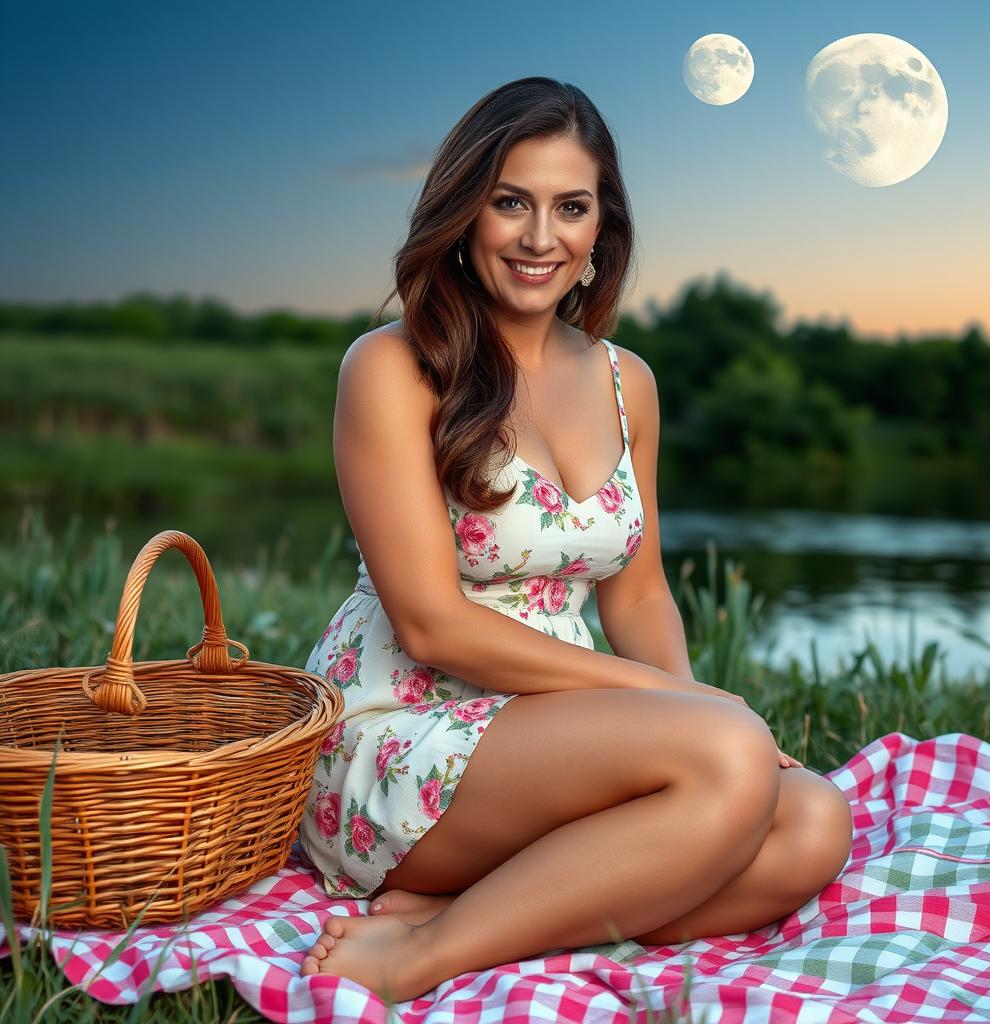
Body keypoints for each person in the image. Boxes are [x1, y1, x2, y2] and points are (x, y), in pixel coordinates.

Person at [298, 76, 853, 1001]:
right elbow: (432, 624)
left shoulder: (628, 381)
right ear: (466, 212)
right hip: (408, 726)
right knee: (728, 755)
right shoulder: (395, 366)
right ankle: (421, 956)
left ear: (603, 230)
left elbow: (638, 595)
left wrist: (688, 706)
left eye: (571, 207)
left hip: (569, 724)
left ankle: (469, 912)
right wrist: (692, 711)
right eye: (510, 201)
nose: (539, 237)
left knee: (812, 825)